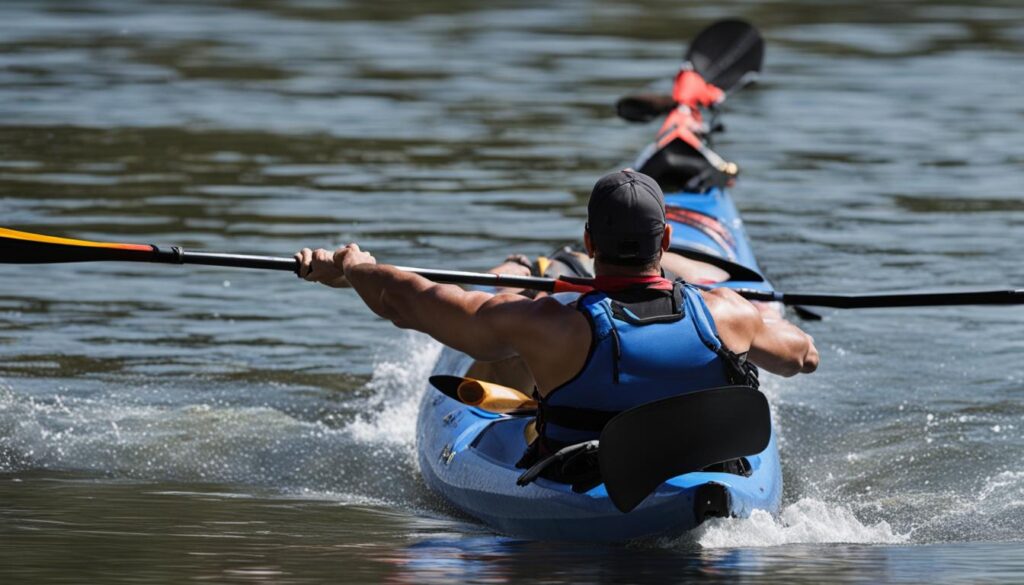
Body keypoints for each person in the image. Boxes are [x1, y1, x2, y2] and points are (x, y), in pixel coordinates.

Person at [296, 170, 818, 465]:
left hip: (577, 475)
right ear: (665, 240)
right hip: (696, 471)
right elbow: (802, 357)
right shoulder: (728, 314)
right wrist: (750, 322)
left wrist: (354, 265)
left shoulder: (547, 324)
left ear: (590, 244)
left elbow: (408, 301)